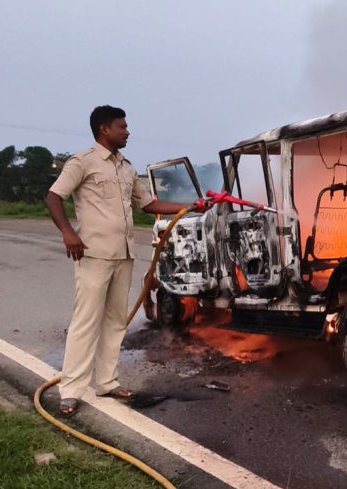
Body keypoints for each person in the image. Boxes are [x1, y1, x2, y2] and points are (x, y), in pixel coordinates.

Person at [46, 105, 205, 416]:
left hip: (124, 255)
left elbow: (149, 204)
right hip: (93, 254)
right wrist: (68, 233)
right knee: (86, 322)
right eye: (122, 126)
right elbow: (54, 197)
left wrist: (193, 205)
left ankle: (107, 381)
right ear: (105, 129)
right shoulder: (83, 162)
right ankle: (72, 390)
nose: (128, 131)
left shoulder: (127, 168)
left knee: (116, 322)